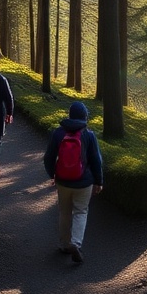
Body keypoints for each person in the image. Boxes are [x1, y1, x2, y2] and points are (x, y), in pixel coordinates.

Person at [43, 101, 103, 264]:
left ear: (70, 115)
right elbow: (96, 161)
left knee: (64, 212)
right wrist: (99, 182)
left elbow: (48, 157)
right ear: (85, 117)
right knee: (81, 211)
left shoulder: (58, 133)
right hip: (84, 182)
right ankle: (76, 243)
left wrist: (53, 174)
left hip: (63, 181)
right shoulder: (88, 135)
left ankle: (64, 244)